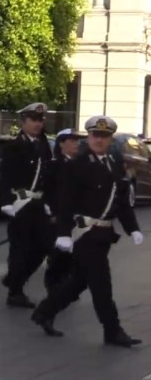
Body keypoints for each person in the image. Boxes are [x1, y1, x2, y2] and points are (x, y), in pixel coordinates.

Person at [31, 116, 143, 347]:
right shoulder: (77, 166)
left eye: (104, 136)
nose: (99, 140)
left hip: (103, 234)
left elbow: (120, 202)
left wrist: (133, 229)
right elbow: (66, 203)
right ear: (89, 137)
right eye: (95, 135)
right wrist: (63, 233)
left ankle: (44, 312)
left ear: (110, 139)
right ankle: (112, 330)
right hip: (84, 234)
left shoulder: (114, 162)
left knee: (79, 281)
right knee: (102, 284)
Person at [0, 103, 54, 308]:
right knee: (20, 250)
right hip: (20, 204)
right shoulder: (14, 146)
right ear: (24, 122)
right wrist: (5, 202)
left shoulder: (43, 144)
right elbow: (5, 177)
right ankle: (15, 291)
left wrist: (50, 202)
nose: (38, 124)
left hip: (38, 204)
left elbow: (47, 176)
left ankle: (14, 278)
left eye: (40, 120)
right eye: (33, 120)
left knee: (43, 247)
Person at [43, 128, 82, 294]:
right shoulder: (54, 165)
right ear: (61, 144)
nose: (76, 143)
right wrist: (51, 213)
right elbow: (48, 192)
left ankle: (64, 284)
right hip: (58, 216)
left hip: (75, 217)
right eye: (71, 140)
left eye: (76, 140)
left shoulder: (78, 164)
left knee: (71, 254)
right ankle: (53, 286)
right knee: (58, 254)